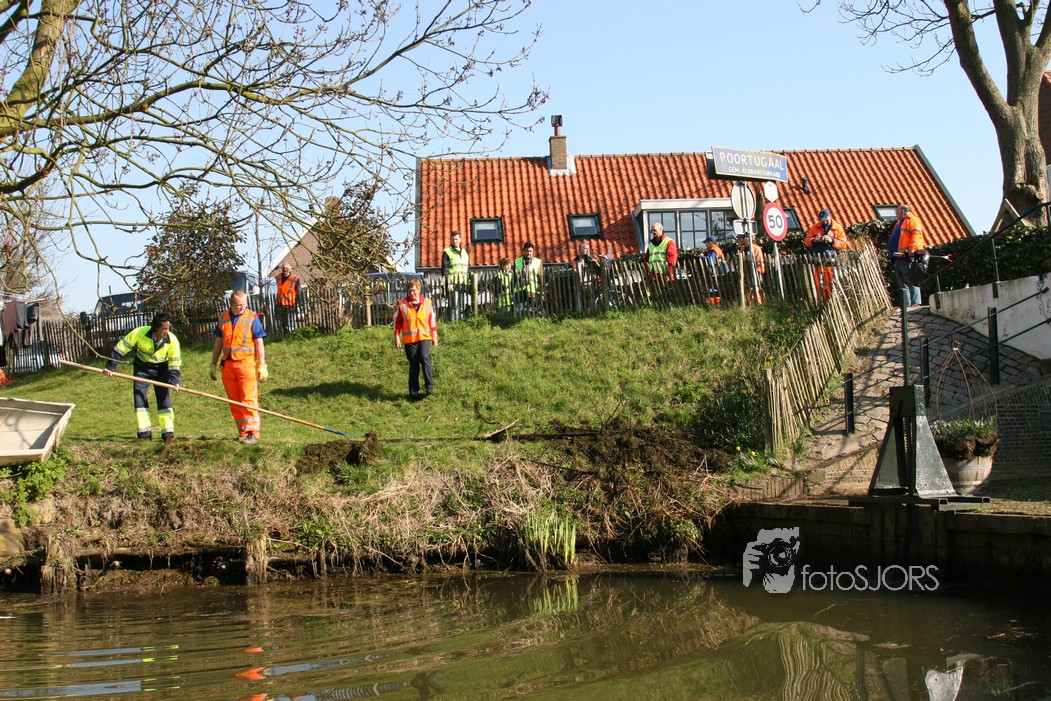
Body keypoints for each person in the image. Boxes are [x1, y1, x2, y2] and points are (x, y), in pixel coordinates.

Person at [104, 313, 182, 444]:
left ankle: (168, 434)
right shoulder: (140, 333)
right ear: (156, 328)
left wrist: (174, 381)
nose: (167, 331)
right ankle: (144, 435)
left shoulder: (172, 340)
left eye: (168, 328)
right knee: (139, 399)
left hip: (161, 370)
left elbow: (175, 362)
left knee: (164, 400)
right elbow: (121, 348)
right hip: (142, 369)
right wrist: (110, 367)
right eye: (164, 329)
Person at [210, 290, 268, 444]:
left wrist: (262, 364)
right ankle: (243, 431)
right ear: (231, 304)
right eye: (239, 305)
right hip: (228, 365)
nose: (242, 307)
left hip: (246, 364)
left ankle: (253, 432)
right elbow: (218, 341)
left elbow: (259, 341)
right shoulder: (223, 318)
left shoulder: (252, 317)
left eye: (244, 304)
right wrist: (213, 363)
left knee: (248, 398)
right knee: (234, 401)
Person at [394, 279, 438, 400]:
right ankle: (413, 392)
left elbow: (432, 320)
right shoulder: (402, 304)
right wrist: (397, 336)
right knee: (414, 364)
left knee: (424, 357)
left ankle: (429, 385)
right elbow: (398, 322)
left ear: (419, 290)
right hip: (410, 340)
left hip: (424, 337)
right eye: (409, 291)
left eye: (413, 290)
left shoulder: (427, 303)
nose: (411, 293)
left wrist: (434, 336)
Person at [804, 208, 849, 301]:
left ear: (830, 216)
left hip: (831, 262)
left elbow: (844, 245)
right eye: (822, 220)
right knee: (817, 284)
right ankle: (821, 302)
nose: (824, 221)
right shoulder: (815, 227)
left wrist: (832, 240)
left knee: (829, 283)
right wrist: (814, 240)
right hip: (817, 260)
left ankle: (830, 301)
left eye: (826, 219)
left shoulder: (837, 228)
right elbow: (806, 241)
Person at [892, 204, 927, 308]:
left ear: (903, 212)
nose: (896, 214)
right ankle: (906, 304)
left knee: (911, 279)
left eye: (897, 212)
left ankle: (915, 303)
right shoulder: (899, 224)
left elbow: (916, 235)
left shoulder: (912, 221)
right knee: (902, 282)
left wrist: (912, 248)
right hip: (899, 256)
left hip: (908, 255)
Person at [442, 231, 470, 322]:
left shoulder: (465, 252)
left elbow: (467, 268)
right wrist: (448, 283)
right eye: (453, 239)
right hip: (453, 284)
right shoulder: (447, 252)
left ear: (460, 239)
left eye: (456, 239)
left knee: (462, 305)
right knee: (453, 306)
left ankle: (460, 324)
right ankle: (454, 324)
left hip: (463, 283)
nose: (455, 241)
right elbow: (445, 269)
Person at [514, 241, 544, 313]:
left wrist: (541, 289)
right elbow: (514, 277)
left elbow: (541, 277)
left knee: (531, 311)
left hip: (533, 290)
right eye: (527, 251)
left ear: (533, 251)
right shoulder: (517, 261)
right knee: (519, 311)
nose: (529, 253)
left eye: (530, 251)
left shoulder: (538, 261)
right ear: (523, 251)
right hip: (519, 290)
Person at [738, 232, 766, 305]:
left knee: (755, 287)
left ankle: (758, 303)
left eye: (742, 238)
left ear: (747, 238)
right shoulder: (743, 249)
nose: (741, 239)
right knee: (748, 288)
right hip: (747, 271)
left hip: (756, 270)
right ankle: (751, 303)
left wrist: (760, 271)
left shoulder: (755, 248)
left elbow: (759, 260)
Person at [275, 261, 302, 335]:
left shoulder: (295, 279)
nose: (285, 269)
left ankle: (290, 337)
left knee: (290, 325)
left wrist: (297, 303)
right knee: (280, 325)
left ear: (290, 269)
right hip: (279, 305)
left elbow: (299, 292)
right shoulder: (277, 278)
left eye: (287, 268)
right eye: (283, 268)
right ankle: (281, 338)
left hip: (290, 305)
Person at [701, 236, 726, 303]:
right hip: (720, 271)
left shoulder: (714, 250)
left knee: (714, 288)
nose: (705, 245)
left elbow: (711, 260)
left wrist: (702, 257)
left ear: (710, 242)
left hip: (717, 271)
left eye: (706, 243)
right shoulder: (717, 249)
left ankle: (714, 303)